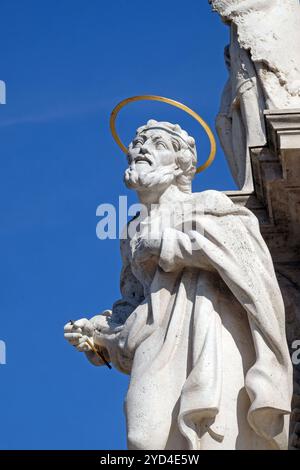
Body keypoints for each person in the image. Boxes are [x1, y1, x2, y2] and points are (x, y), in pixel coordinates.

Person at [64, 120, 292, 449]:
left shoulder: (210, 205)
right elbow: (130, 305)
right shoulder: (131, 232)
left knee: (212, 434)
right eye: (137, 143)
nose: (141, 148)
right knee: (142, 440)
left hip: (209, 332)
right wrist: (97, 332)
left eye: (157, 144)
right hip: (152, 343)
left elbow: (249, 264)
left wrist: (168, 245)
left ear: (180, 166)